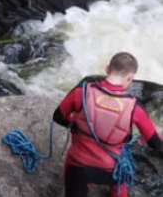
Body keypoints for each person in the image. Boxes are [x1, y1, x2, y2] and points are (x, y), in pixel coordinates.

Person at [53, 52, 163, 197]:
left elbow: (58, 117)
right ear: (130, 78)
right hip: (111, 170)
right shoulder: (135, 108)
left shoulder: (81, 92)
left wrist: (75, 124)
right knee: (120, 181)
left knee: (75, 177)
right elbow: (155, 143)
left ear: (106, 69)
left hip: (78, 165)